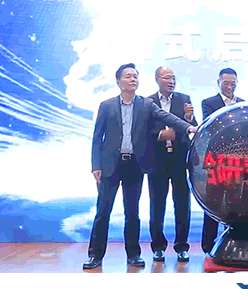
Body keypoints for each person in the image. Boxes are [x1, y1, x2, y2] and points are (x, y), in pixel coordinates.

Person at [84, 63, 198, 270]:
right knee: (103, 212)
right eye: (128, 76)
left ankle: (133, 255)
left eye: (135, 76)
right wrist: (96, 165)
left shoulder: (145, 104)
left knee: (132, 213)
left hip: (134, 166)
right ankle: (95, 255)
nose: (133, 79)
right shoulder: (107, 105)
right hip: (110, 166)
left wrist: (188, 127)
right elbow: (97, 137)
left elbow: (167, 117)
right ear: (118, 81)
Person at [146, 67, 198, 263]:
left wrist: (189, 118)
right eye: (167, 77)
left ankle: (182, 247)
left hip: (179, 160)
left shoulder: (184, 99)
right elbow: (142, 130)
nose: (171, 81)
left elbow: (191, 127)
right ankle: (158, 247)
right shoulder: (148, 102)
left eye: (173, 78)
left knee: (182, 204)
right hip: (157, 161)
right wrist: (160, 135)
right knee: (157, 205)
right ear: (157, 79)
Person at [200, 68, 245, 254]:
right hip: (217, 160)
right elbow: (212, 128)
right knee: (213, 200)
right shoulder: (208, 103)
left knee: (236, 200)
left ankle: (233, 242)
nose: (229, 86)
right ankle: (208, 245)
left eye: (232, 83)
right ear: (218, 83)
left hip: (237, 161)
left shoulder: (243, 103)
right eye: (226, 83)